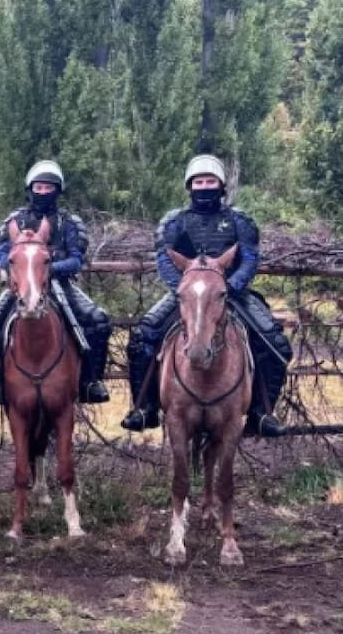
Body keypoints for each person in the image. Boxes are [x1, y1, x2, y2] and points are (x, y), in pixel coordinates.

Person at [121, 154, 291, 437]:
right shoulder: (174, 222)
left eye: (210, 181)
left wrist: (230, 285)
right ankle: (145, 407)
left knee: (275, 343)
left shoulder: (239, 221)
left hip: (232, 293)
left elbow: (249, 258)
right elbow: (164, 260)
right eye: (199, 181)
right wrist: (184, 288)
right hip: (186, 294)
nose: (204, 186)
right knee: (143, 336)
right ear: (190, 186)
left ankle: (262, 412)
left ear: (221, 186)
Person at [0, 160, 111, 406]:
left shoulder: (70, 223)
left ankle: (92, 381)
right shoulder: (14, 221)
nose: (43, 192)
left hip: (60, 284)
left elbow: (76, 260)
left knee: (98, 320)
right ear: (30, 189)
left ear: (57, 190)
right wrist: (25, 271)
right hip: (21, 285)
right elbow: (4, 255)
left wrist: (46, 270)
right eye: (38, 187)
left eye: (48, 188)